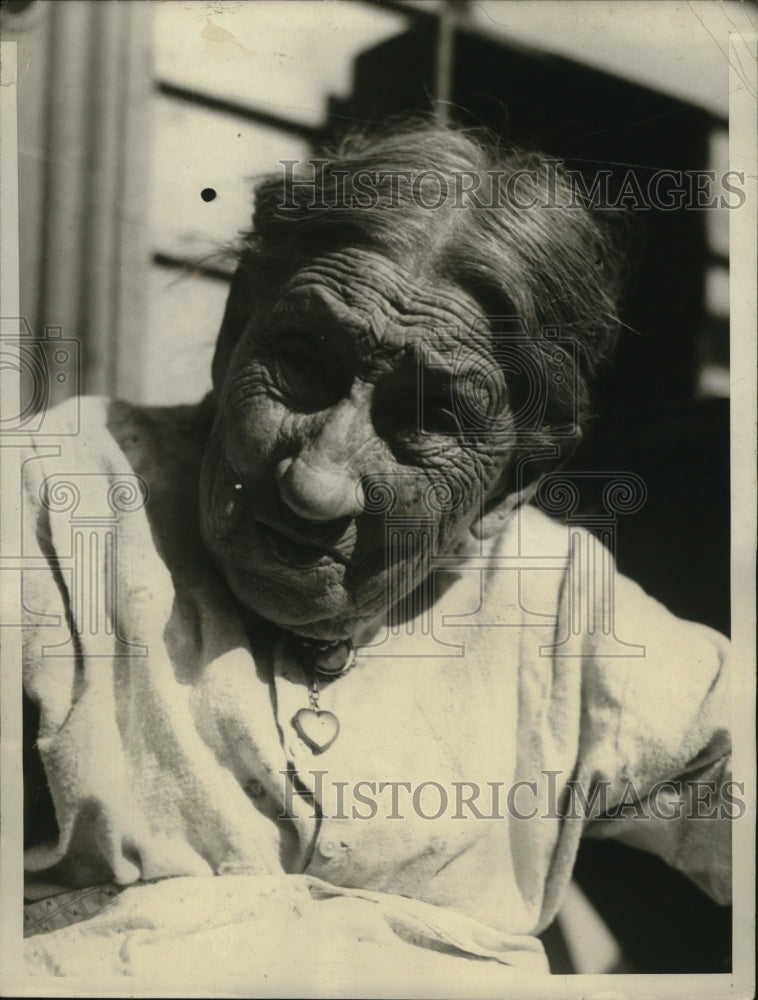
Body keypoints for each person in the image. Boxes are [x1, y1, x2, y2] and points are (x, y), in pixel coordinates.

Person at [21, 123, 731, 981]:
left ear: (513, 478)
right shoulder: (56, 511)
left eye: (425, 419)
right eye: (300, 362)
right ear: (237, 324)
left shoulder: (557, 609)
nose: (316, 481)